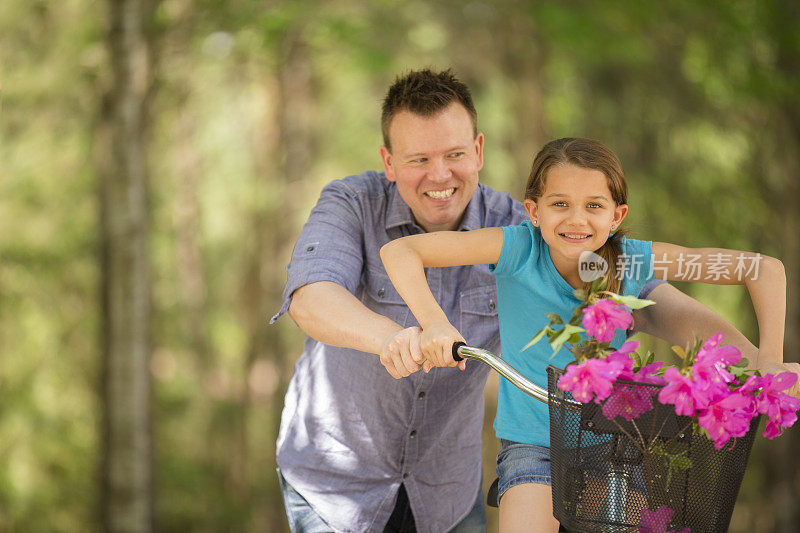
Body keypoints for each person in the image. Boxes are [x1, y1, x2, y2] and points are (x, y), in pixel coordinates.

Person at [271, 69, 766, 533]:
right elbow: (313, 299)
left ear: (479, 150)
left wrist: (757, 363)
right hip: (338, 481)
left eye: (454, 154)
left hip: (445, 486)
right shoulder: (351, 204)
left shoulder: (521, 230)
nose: (439, 175)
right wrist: (402, 338)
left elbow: (646, 298)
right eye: (418, 159)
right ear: (388, 162)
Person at [379, 136, 800, 532]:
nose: (576, 219)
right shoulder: (518, 250)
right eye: (559, 203)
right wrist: (434, 322)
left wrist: (770, 358)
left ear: (617, 216)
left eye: (594, 206)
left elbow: (763, 269)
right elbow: (401, 251)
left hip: (614, 446)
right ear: (533, 211)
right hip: (533, 446)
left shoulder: (633, 262)